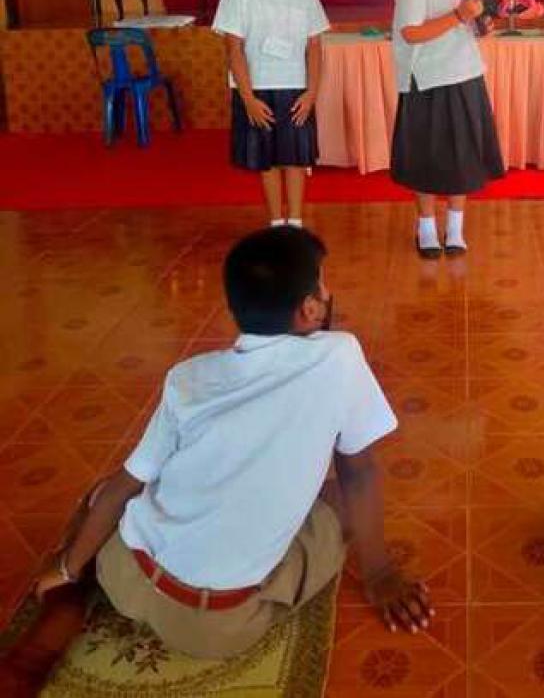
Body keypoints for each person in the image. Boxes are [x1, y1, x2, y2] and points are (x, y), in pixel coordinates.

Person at [32, 227, 433, 659]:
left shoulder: (187, 378)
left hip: (126, 576)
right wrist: (381, 574)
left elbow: (122, 488)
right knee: (339, 502)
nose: (328, 292)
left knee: (104, 493)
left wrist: (66, 569)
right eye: (323, 284)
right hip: (213, 629)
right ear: (310, 308)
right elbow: (360, 472)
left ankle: (73, 590)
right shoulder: (340, 357)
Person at [390, 0, 505, 259]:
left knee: (463, 155)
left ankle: (455, 227)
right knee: (427, 155)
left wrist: (480, 21)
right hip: (427, 78)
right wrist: (458, 16)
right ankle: (426, 227)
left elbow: (468, 13)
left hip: (464, 70)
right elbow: (411, 32)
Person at [213, 0, 329, 228]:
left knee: (295, 158)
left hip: (296, 87)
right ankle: (277, 222)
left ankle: (296, 222)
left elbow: (314, 46)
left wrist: (312, 92)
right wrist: (248, 98)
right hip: (257, 88)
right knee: (268, 161)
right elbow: (234, 49)